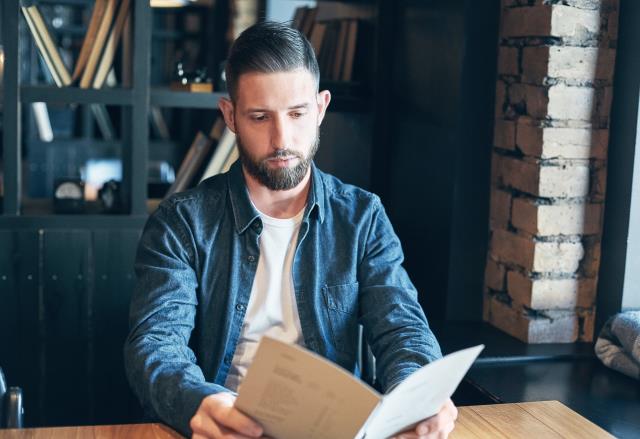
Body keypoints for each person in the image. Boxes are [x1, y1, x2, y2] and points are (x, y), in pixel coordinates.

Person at [124, 21, 456, 439]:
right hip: (226, 427)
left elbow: (402, 327)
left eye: (297, 114)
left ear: (320, 108)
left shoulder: (362, 217)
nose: (282, 139)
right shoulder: (182, 222)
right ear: (230, 116)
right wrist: (201, 402)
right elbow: (156, 344)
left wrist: (418, 394)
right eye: (260, 117)